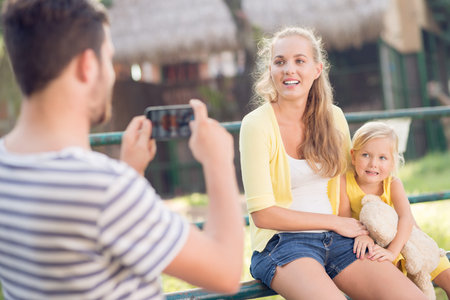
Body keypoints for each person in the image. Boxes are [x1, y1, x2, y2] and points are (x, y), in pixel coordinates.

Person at [0, 0, 243, 299]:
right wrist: (218, 160)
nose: (113, 74)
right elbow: (227, 271)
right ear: (87, 67)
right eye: (109, 59)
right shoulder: (104, 188)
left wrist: (131, 172)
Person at [239, 26, 427, 299]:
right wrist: (335, 222)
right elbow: (263, 214)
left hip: (340, 237)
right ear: (271, 69)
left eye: (299, 61)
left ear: (317, 69)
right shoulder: (256, 125)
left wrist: (358, 231)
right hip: (282, 244)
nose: (288, 69)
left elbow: (343, 184)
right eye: (280, 62)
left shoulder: (333, 117)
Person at [339, 121, 450, 298]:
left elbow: (406, 218)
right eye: (366, 155)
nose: (373, 163)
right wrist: (362, 235)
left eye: (382, 158)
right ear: (353, 156)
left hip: (412, 242)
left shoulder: (393, 184)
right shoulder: (345, 182)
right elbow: (344, 218)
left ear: (392, 162)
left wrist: (393, 251)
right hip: (377, 248)